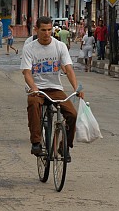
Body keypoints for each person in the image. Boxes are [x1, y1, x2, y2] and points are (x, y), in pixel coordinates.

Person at [22, 16, 84, 162]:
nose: (47, 33)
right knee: (33, 103)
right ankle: (36, 142)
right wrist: (34, 88)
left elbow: (68, 69)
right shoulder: (29, 48)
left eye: (49, 30)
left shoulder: (59, 46)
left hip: (55, 88)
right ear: (36, 30)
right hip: (37, 89)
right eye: (43, 30)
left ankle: (65, 145)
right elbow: (26, 72)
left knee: (72, 114)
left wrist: (76, 88)